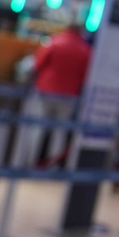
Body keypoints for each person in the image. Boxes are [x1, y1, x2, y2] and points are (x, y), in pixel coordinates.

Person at [19, 10, 91, 166]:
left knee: (37, 128)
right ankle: (52, 165)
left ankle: (28, 162)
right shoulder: (85, 50)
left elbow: (38, 64)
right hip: (69, 95)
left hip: (45, 90)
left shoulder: (54, 42)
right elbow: (85, 76)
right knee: (60, 132)